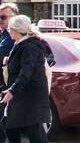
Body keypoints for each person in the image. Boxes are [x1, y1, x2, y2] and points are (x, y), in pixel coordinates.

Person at [0, 15, 50, 143]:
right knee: (10, 127)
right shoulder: (21, 43)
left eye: (10, 29)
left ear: (16, 30)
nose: (8, 31)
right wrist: (9, 61)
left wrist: (12, 91)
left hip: (29, 96)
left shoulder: (29, 46)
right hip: (23, 95)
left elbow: (26, 71)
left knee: (33, 131)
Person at [0, 2, 20, 143]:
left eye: (3, 17)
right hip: (5, 85)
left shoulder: (12, 36)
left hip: (11, 85)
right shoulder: (4, 34)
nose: (0, 20)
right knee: (8, 124)